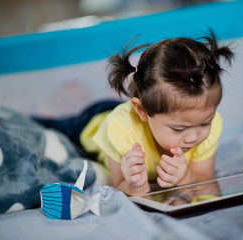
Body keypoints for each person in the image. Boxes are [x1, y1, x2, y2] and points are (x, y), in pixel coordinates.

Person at [79, 31, 234, 196]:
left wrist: (186, 177)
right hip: (92, 120)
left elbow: (207, 181)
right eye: (179, 129)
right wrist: (134, 186)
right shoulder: (120, 130)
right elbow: (119, 187)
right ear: (142, 111)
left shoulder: (208, 124)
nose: (193, 137)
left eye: (205, 123)